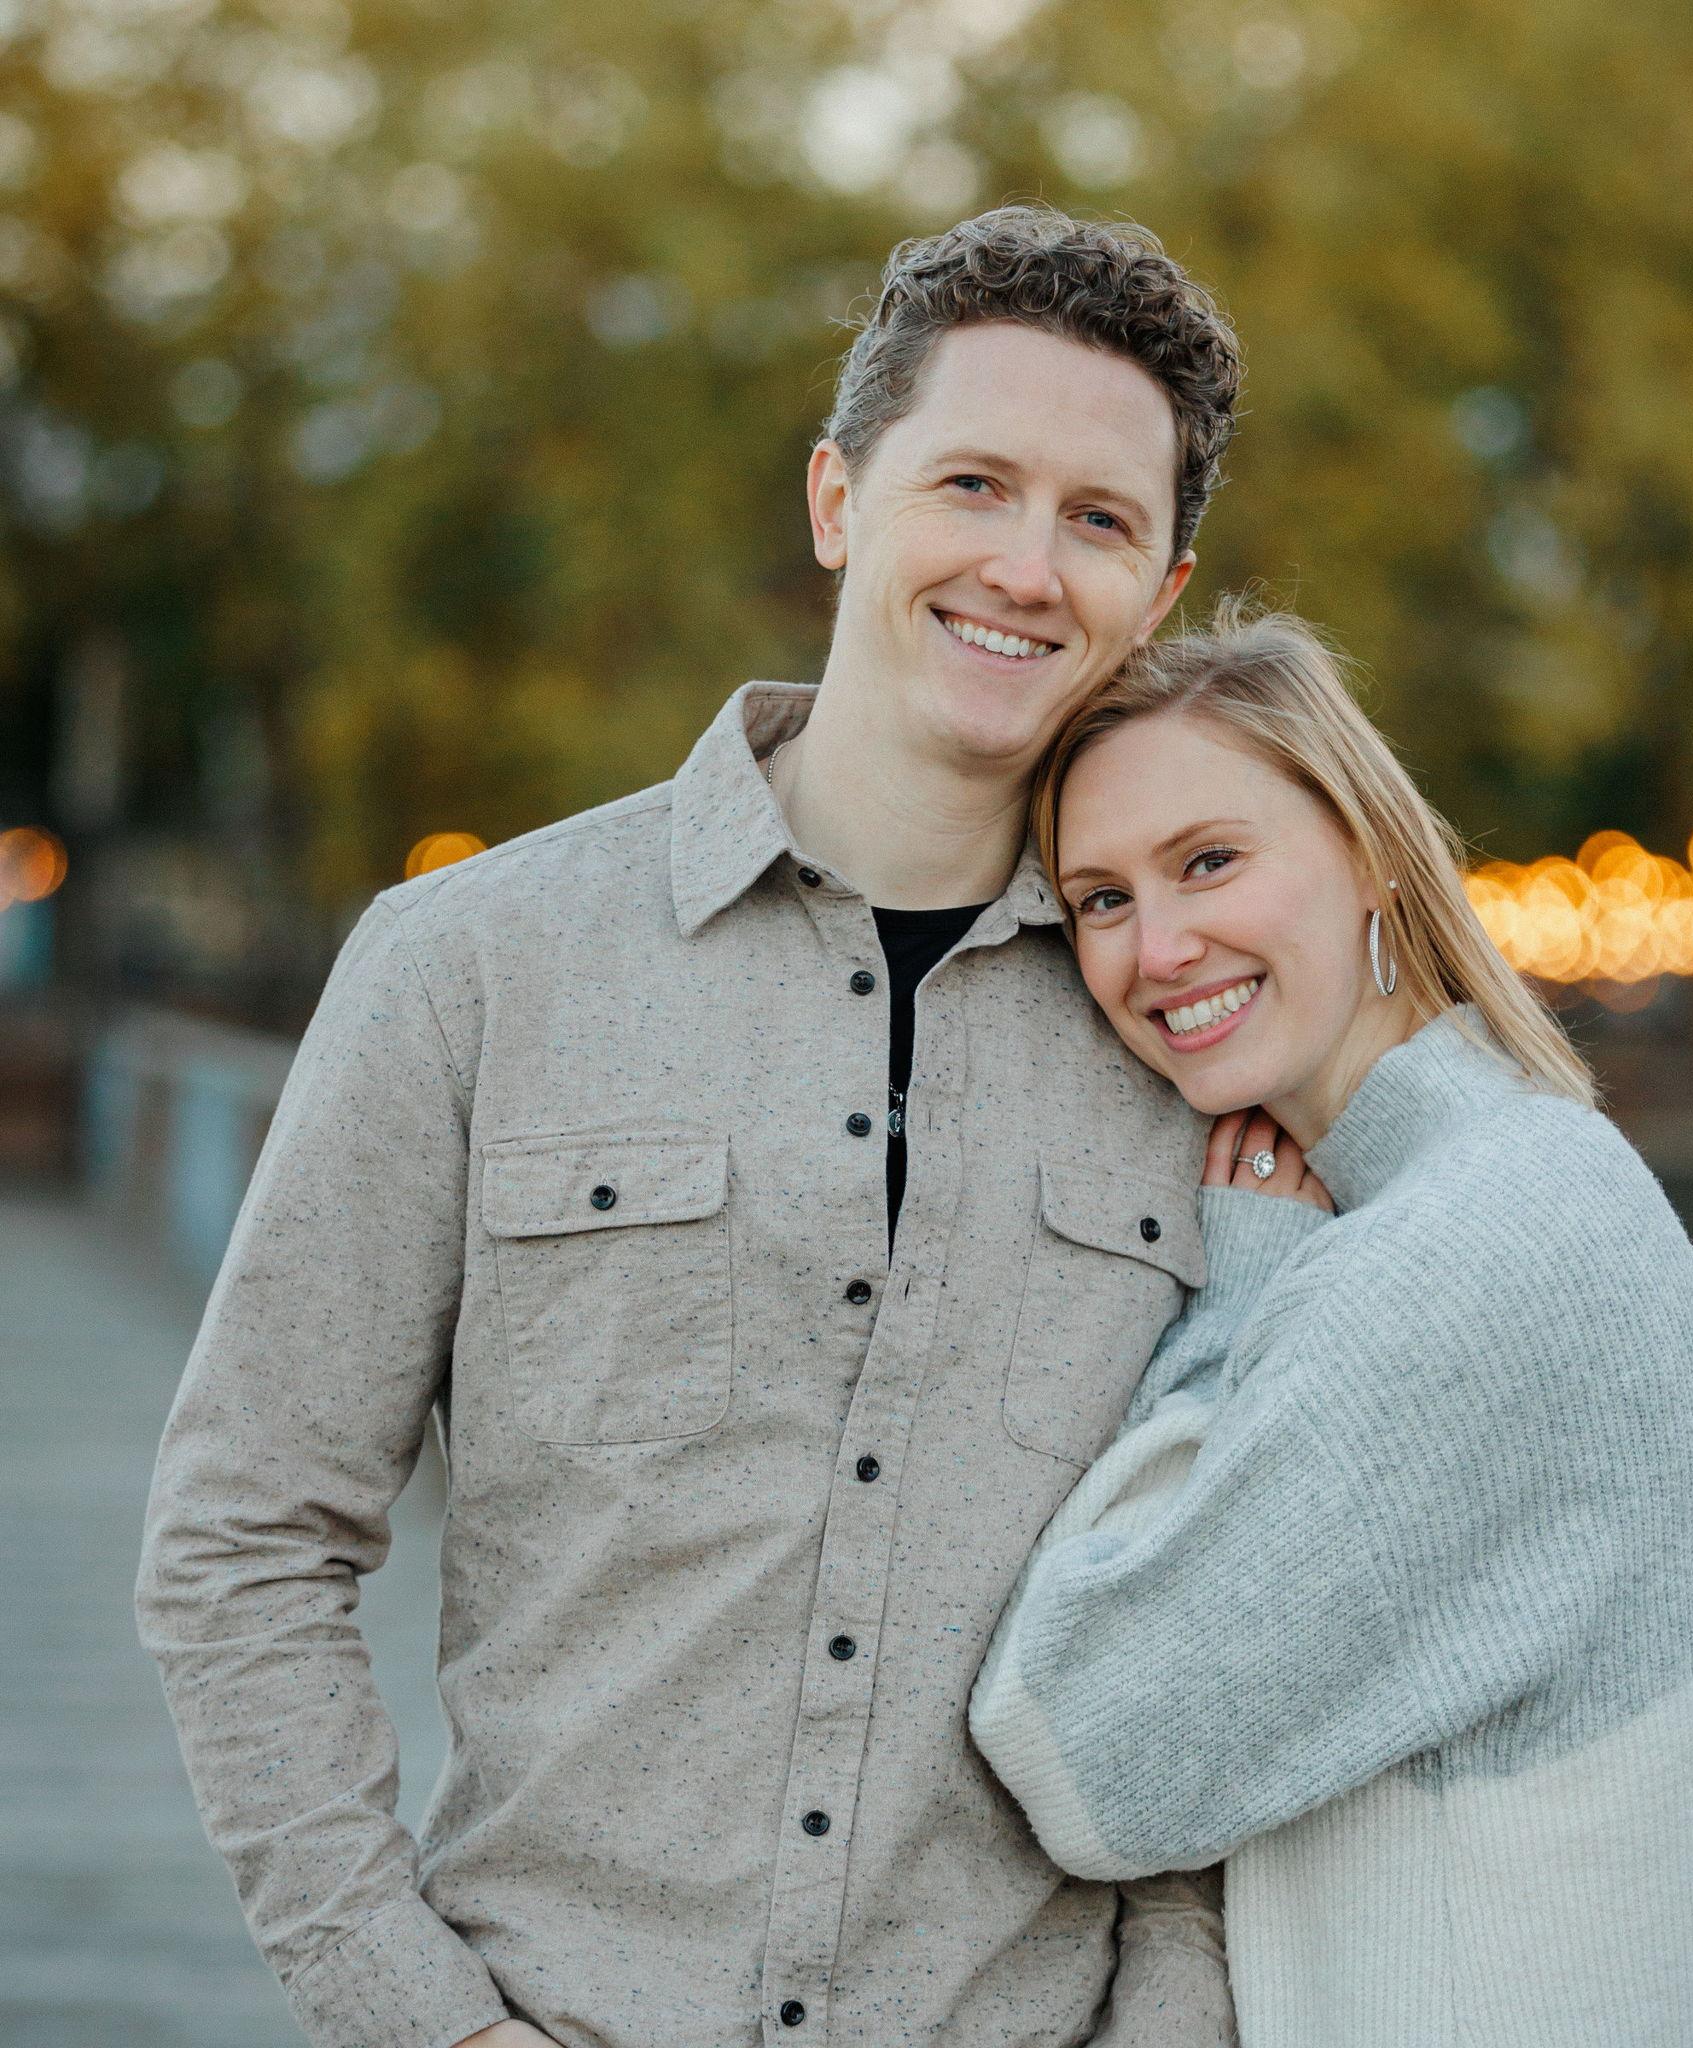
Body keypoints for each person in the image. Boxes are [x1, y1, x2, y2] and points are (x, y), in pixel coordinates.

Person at [135, 206, 1250, 2048]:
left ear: (1163, 592)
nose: (1026, 566)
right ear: (837, 500)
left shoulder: (1191, 1039)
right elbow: (244, 1536)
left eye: (1100, 521)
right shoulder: (470, 965)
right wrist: (424, 2020)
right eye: (973, 483)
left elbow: (1224, 1625)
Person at [970, 602, 1693, 2045]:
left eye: (1208, 861)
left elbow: (1080, 1752)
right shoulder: (1527, 1171)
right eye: (1099, 900)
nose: (1159, 948)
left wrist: (1232, 1311)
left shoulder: (1462, 1251)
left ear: (1371, 855)